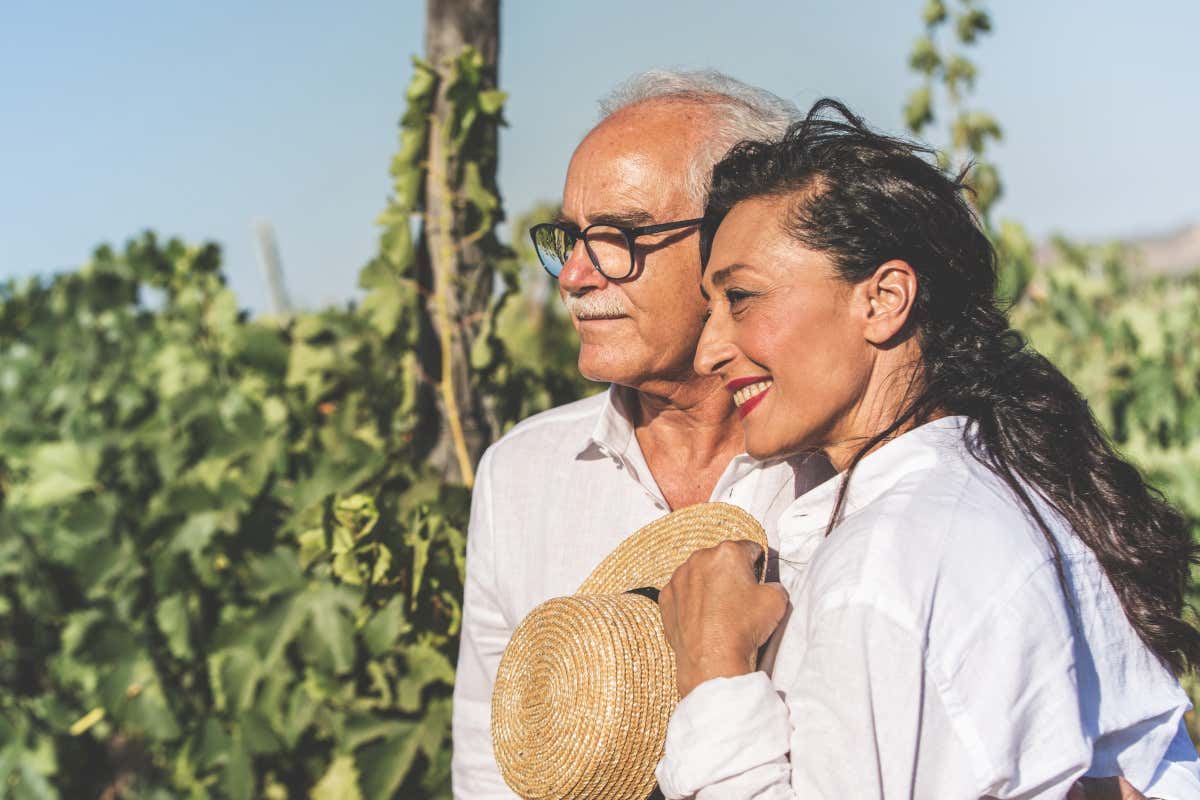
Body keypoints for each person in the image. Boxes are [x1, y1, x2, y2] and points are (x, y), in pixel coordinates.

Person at [656, 98, 1200, 797]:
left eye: (743, 299)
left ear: (883, 299)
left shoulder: (883, 564)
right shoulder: (998, 486)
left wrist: (713, 676)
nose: (710, 351)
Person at [450, 71, 835, 799]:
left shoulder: (847, 468)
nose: (572, 275)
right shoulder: (521, 475)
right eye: (569, 237)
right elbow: (491, 768)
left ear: (741, 239)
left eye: (620, 237)